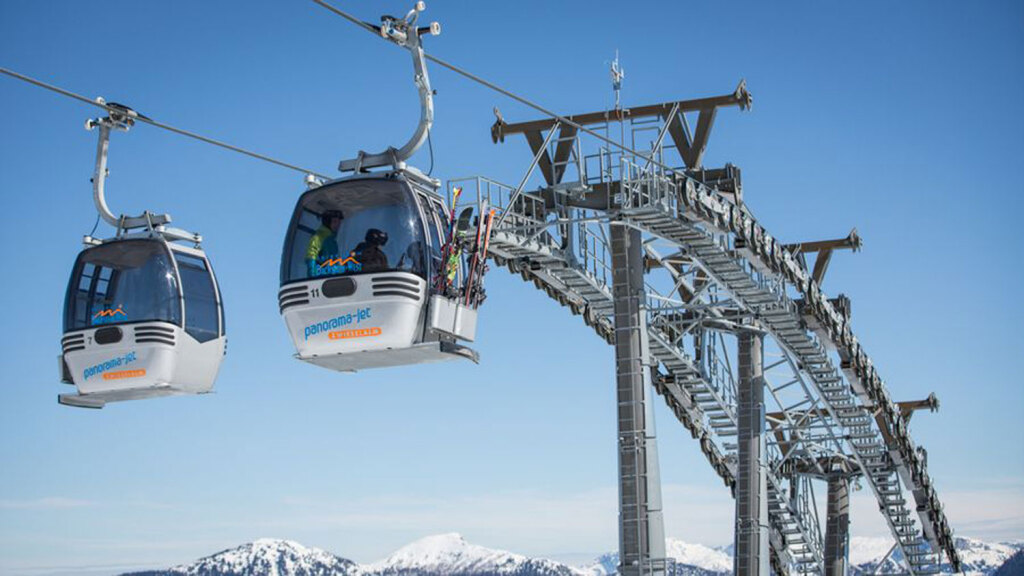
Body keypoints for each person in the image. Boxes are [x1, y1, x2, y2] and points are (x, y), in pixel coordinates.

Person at [305, 209, 344, 277]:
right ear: (327, 222)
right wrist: (312, 278)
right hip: (321, 277)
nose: (337, 225)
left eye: (339, 222)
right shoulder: (318, 237)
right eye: (334, 222)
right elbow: (311, 257)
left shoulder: (332, 239)